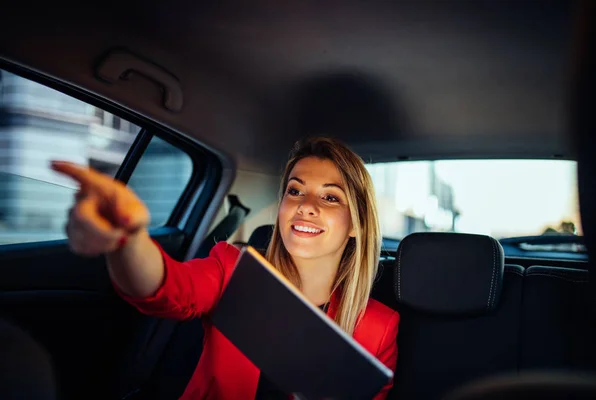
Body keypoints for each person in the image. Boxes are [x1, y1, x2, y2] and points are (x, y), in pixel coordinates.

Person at [51, 137, 400, 400]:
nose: (306, 206)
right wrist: (127, 237)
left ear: (357, 224)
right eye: (295, 191)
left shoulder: (379, 327)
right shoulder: (234, 269)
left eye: (330, 197)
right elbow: (169, 288)